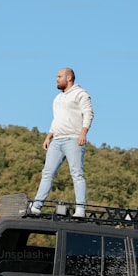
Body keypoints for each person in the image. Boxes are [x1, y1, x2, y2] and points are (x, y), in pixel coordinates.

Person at [31, 68, 94, 218]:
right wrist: (49, 136)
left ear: (69, 78)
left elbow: (88, 113)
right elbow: (57, 120)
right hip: (57, 140)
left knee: (77, 174)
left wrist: (83, 133)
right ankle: (36, 206)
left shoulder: (81, 94)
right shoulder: (58, 98)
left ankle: (80, 209)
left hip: (73, 139)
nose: (56, 79)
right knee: (47, 173)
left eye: (59, 77)